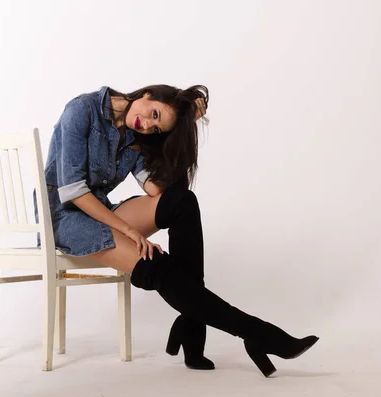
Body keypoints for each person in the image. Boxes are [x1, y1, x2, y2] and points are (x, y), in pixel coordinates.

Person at [36, 84, 319, 377]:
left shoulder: (135, 134)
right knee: (154, 264)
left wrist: (185, 128)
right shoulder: (82, 110)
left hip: (101, 210)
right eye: (154, 114)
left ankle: (192, 328)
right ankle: (258, 333)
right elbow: (74, 192)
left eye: (157, 128)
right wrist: (128, 231)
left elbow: (156, 188)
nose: (147, 126)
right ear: (147, 95)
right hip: (62, 217)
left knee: (181, 202)